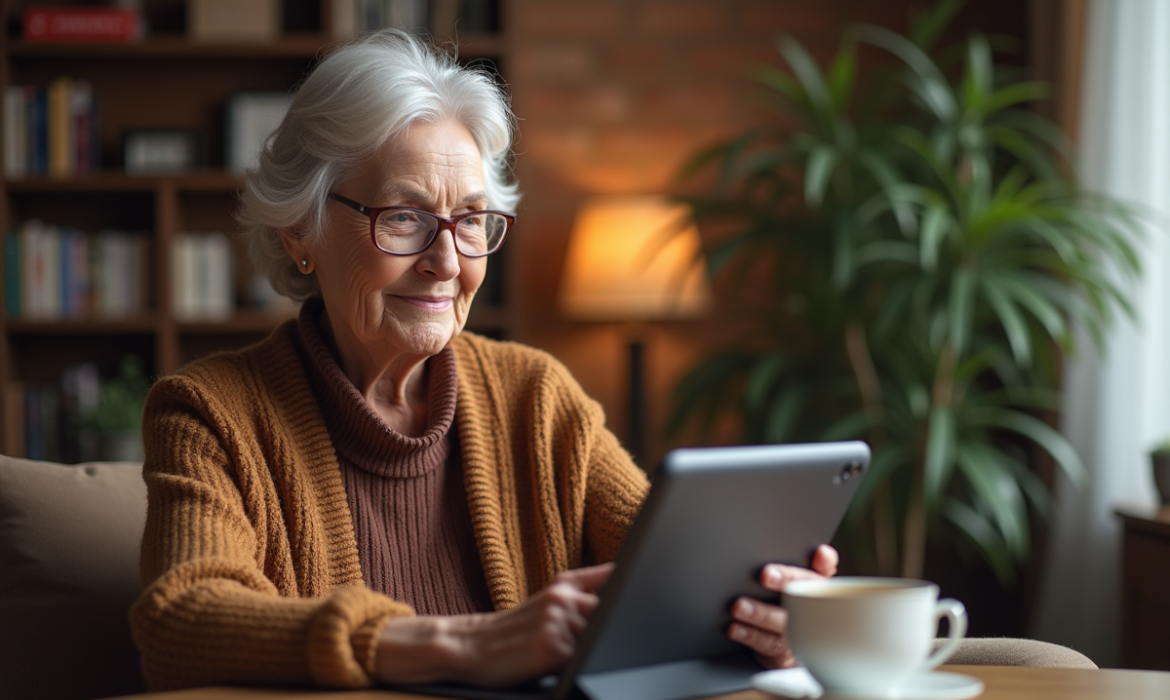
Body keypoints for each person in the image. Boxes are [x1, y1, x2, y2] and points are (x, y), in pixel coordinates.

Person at [129, 29, 837, 691]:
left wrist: (765, 612)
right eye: (403, 217)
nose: (447, 262)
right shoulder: (209, 413)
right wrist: (465, 644)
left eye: (470, 221)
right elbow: (180, 620)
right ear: (299, 233)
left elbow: (672, 567)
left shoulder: (537, 397)